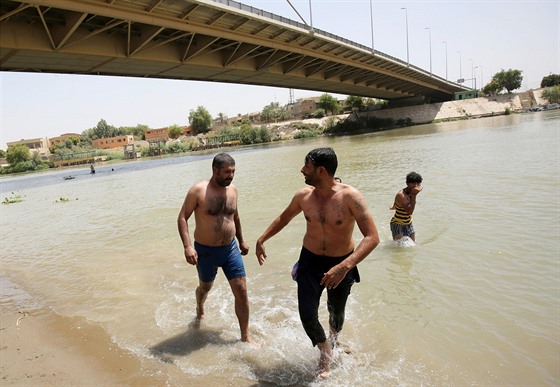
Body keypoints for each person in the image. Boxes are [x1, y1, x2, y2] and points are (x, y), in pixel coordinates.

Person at [255, 147, 379, 378]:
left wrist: (344, 267)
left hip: (342, 263)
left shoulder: (350, 197)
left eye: (307, 166)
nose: (302, 170)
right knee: (307, 313)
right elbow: (283, 217)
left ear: (321, 170)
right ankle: (325, 351)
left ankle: (335, 339)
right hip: (310, 261)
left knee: (336, 313)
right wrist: (262, 239)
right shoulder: (303, 196)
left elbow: (372, 237)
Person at [177, 153, 256, 344]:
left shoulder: (233, 190)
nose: (231, 176)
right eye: (227, 172)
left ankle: (245, 336)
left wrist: (242, 240)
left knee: (241, 290)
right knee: (205, 287)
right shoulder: (198, 191)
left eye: (233, 171)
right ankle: (199, 306)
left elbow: (235, 217)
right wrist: (187, 246)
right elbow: (182, 218)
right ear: (215, 170)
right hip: (205, 251)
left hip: (230, 250)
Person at [390, 171, 423, 241]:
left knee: (413, 244)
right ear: (407, 183)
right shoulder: (401, 195)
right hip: (397, 223)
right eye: (413, 183)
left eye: (418, 183)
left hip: (408, 222)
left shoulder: (410, 192)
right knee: (398, 247)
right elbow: (410, 211)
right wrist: (414, 195)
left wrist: (394, 206)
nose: (416, 185)